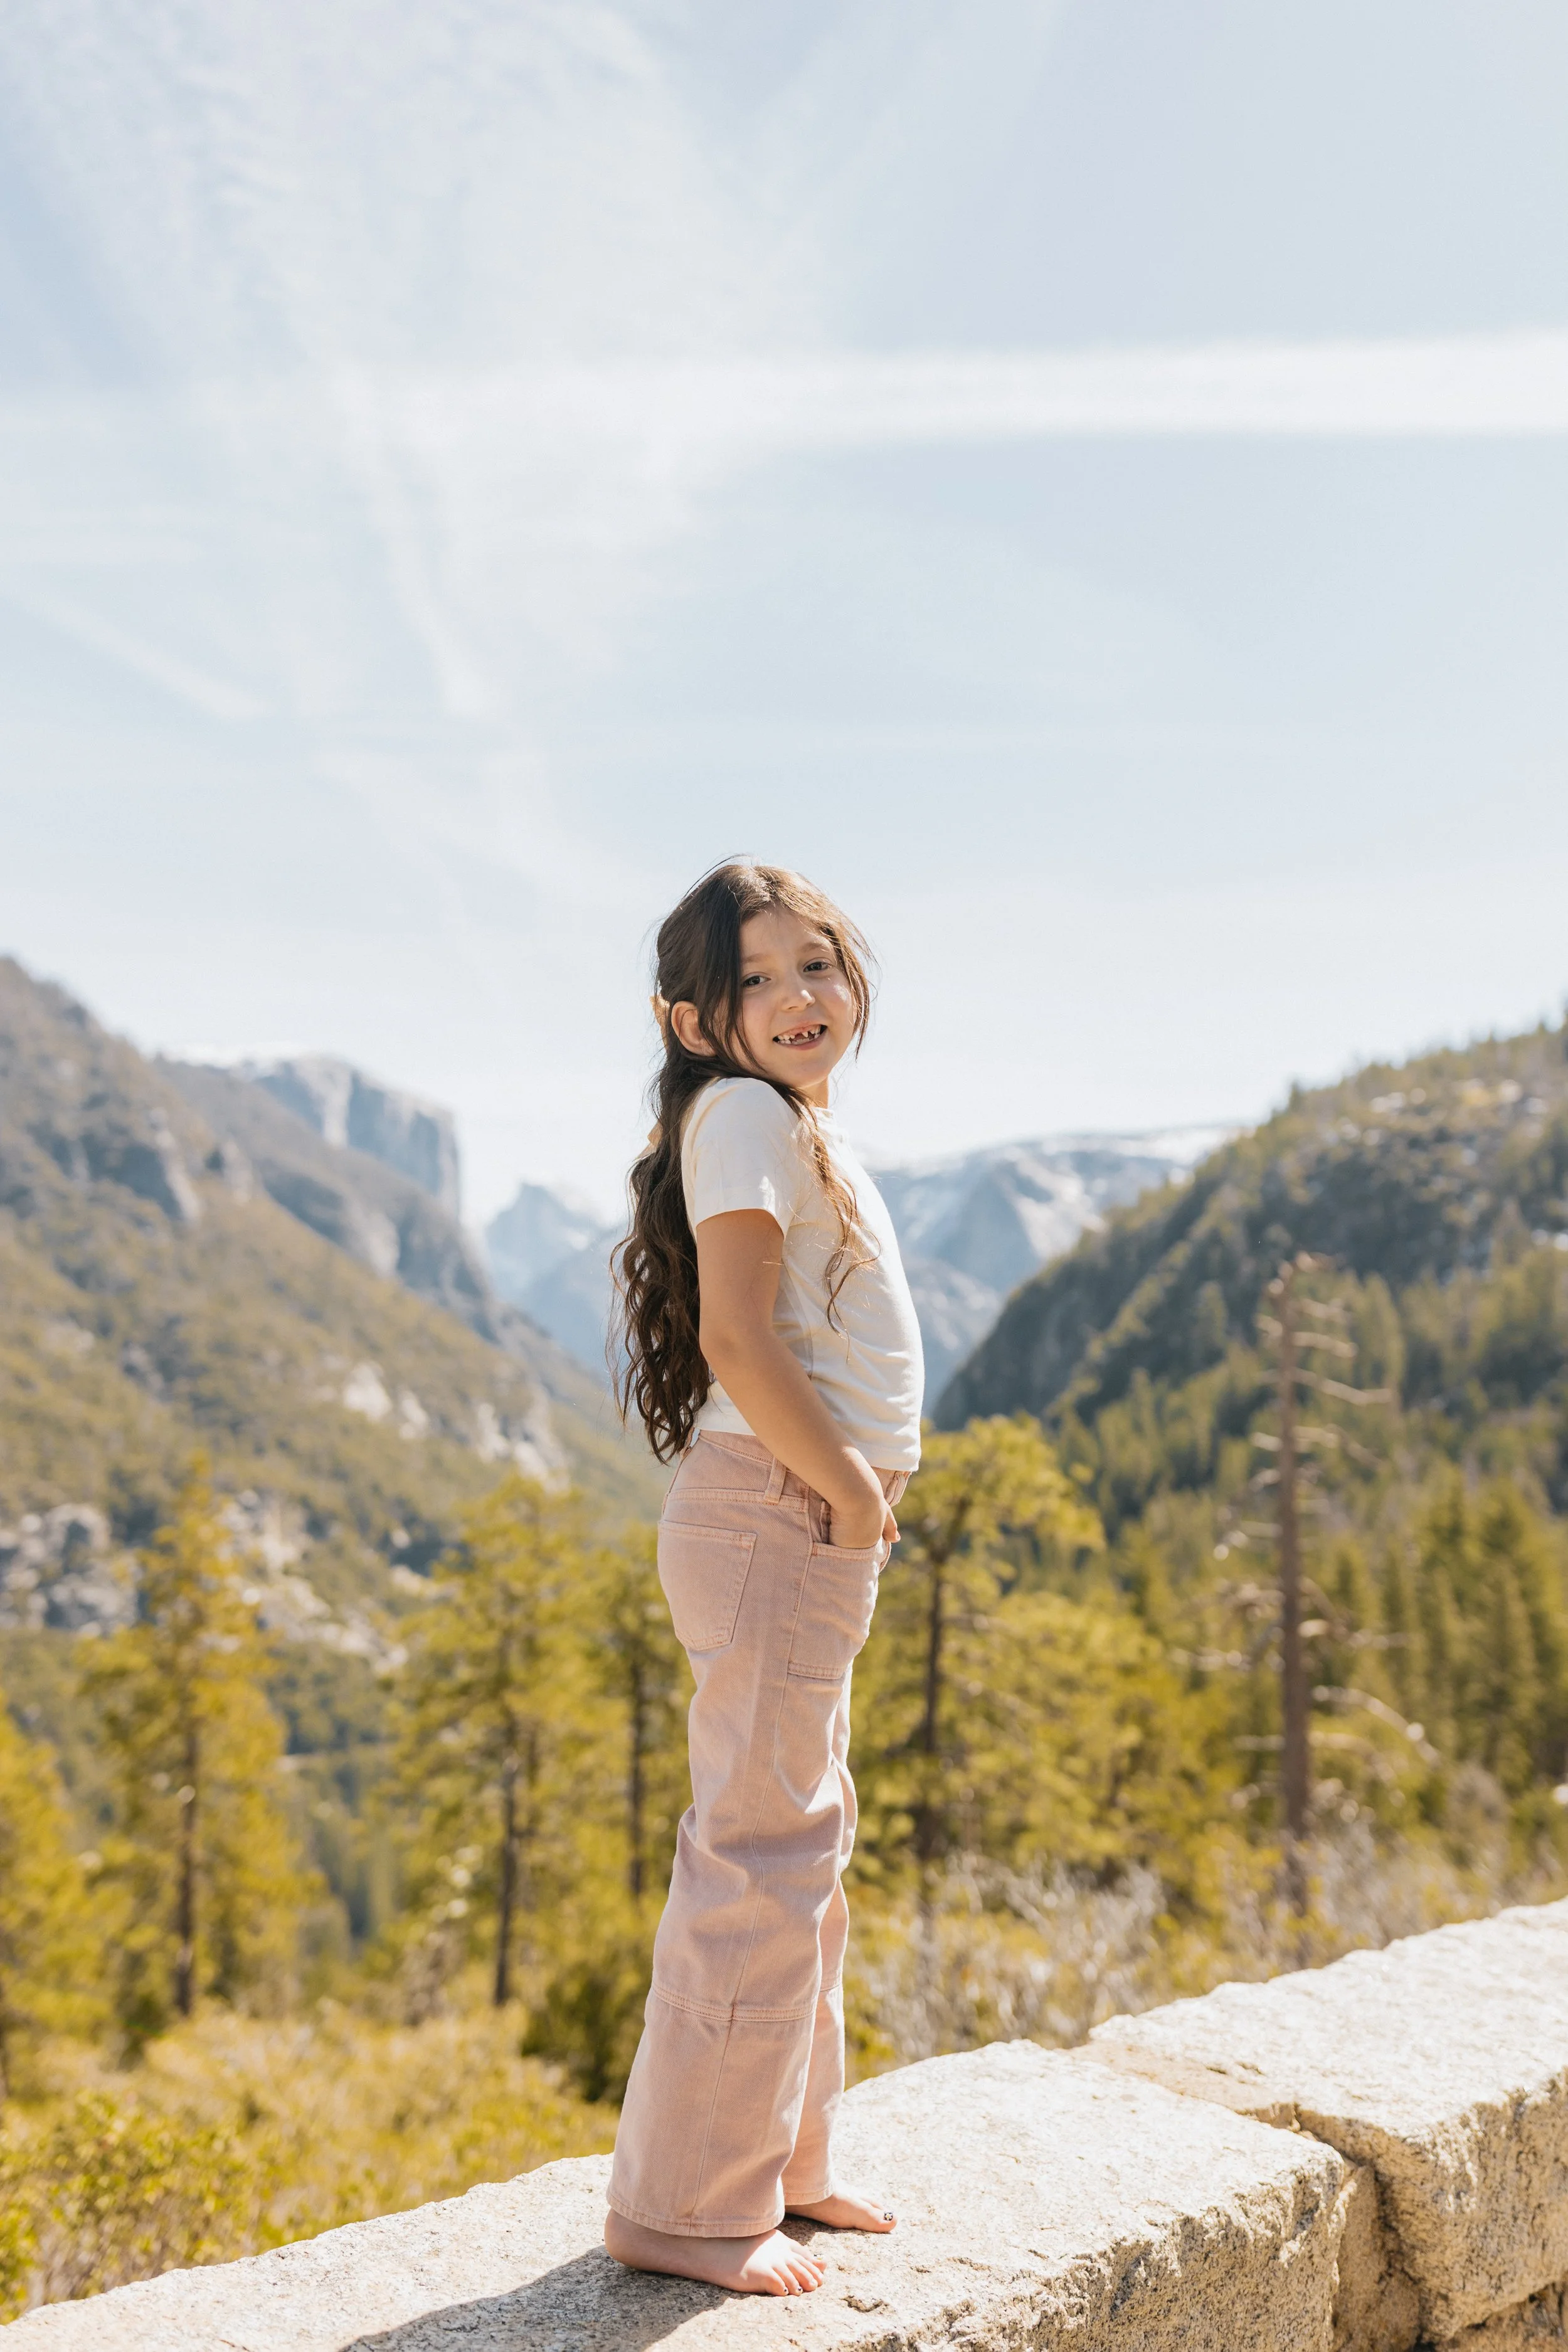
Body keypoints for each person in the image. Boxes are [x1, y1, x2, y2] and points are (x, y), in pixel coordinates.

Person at [604, 859, 923, 2298]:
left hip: (795, 1526)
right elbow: (739, 1337)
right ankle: (684, 2209)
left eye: (818, 963)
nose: (799, 997)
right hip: (778, 1516)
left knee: (803, 1850)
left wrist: (849, 1501)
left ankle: (785, 2165)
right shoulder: (740, 1116)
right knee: (757, 1859)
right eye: (755, 979)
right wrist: (851, 1490)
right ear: (692, 1020)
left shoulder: (782, 1121)